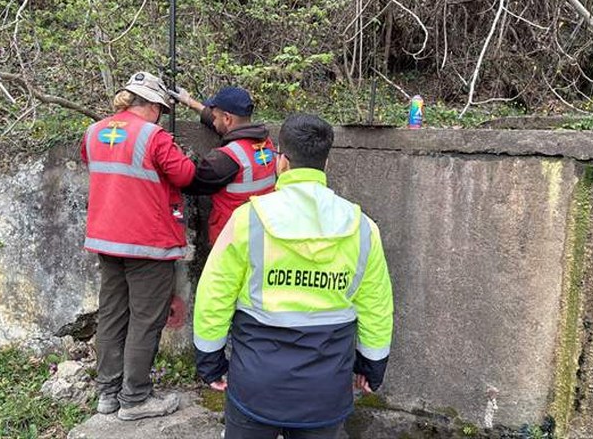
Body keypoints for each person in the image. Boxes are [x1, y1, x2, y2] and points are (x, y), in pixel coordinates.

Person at [192, 113, 394, 438]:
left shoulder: (248, 220)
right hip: (325, 391)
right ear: (325, 164)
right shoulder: (362, 228)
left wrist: (209, 360)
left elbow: (214, 294)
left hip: (256, 387)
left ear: (281, 161)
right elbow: (376, 306)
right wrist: (372, 364)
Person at [80, 71, 195, 421]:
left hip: (106, 239)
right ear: (154, 106)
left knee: (112, 315)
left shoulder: (94, 132)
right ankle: (135, 398)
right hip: (147, 242)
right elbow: (186, 175)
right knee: (146, 320)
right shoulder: (154, 136)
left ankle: (107, 394)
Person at [168, 86, 277, 245]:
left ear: (227, 118)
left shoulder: (225, 159)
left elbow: (187, 181)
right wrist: (190, 102)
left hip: (231, 244)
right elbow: (225, 126)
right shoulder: (266, 144)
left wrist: (176, 156)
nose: (213, 119)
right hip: (262, 236)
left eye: (215, 116)